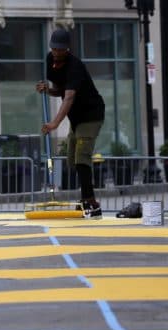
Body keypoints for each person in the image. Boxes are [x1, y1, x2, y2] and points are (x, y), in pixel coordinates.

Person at [36, 27, 105, 219]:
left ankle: (90, 203)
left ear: (67, 49)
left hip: (91, 115)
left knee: (82, 156)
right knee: (71, 161)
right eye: (54, 49)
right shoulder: (49, 61)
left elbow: (69, 97)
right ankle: (85, 198)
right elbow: (60, 90)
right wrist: (48, 90)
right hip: (76, 118)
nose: (56, 53)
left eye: (60, 49)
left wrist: (54, 124)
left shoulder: (75, 66)